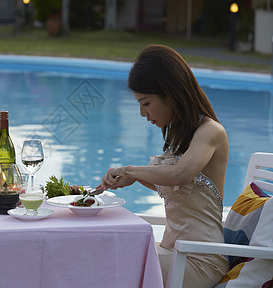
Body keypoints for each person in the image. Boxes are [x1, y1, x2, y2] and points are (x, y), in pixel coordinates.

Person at [98, 45, 229, 287]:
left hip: (199, 260)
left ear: (171, 94)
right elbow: (176, 184)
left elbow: (181, 174)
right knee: (104, 252)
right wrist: (135, 178)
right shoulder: (182, 135)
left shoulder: (211, 132)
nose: (141, 113)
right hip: (174, 254)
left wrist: (130, 170)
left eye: (145, 103)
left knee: (109, 264)